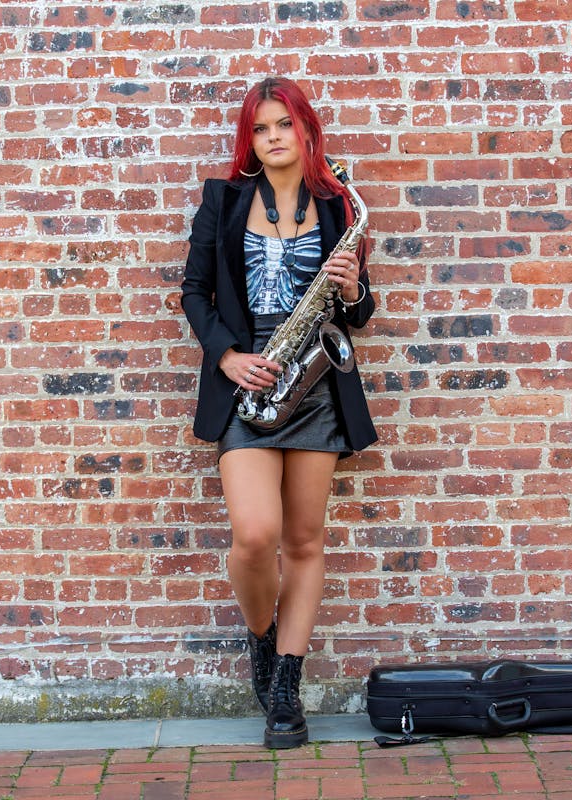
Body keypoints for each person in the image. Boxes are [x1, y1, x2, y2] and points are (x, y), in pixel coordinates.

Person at [179, 77, 377, 749]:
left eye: (284, 124)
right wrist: (228, 357)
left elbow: (359, 313)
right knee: (255, 536)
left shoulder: (338, 205)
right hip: (250, 382)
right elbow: (194, 292)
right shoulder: (223, 200)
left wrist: (353, 290)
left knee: (305, 542)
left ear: (306, 130)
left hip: (313, 384)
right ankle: (262, 636)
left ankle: (286, 685)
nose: (272, 137)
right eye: (260, 128)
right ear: (250, 139)